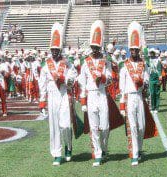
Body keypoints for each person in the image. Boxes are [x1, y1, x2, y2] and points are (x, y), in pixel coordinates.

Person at [38, 22, 77, 166]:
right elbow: (42, 84)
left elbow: (73, 77)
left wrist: (65, 79)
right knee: (54, 126)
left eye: (57, 49)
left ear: (60, 50)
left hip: (63, 94)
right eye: (53, 49)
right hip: (52, 95)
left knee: (66, 125)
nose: (54, 52)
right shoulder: (45, 65)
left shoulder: (67, 63)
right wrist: (42, 101)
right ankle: (56, 153)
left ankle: (68, 145)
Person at [78, 20, 113, 167]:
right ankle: (98, 153)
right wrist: (83, 101)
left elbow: (111, 79)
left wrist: (103, 77)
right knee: (94, 126)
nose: (95, 50)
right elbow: (82, 82)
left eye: (97, 47)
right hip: (91, 94)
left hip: (102, 93)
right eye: (93, 47)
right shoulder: (85, 62)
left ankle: (104, 148)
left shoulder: (106, 61)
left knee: (105, 126)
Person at [119, 21, 148, 166]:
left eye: (136, 50)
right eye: (132, 50)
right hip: (130, 97)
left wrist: (143, 82)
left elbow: (147, 79)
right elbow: (121, 86)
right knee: (133, 125)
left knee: (142, 125)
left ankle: (140, 149)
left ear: (139, 50)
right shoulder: (124, 66)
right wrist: (122, 105)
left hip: (140, 97)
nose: (134, 52)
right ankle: (134, 153)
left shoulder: (143, 64)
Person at [147, 48, 162, 113]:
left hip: (157, 78)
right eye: (151, 52)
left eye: (152, 52)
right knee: (152, 93)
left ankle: (157, 108)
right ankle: (152, 107)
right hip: (151, 78)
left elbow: (159, 70)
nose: (151, 54)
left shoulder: (158, 60)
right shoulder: (148, 60)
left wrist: (160, 78)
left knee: (157, 93)